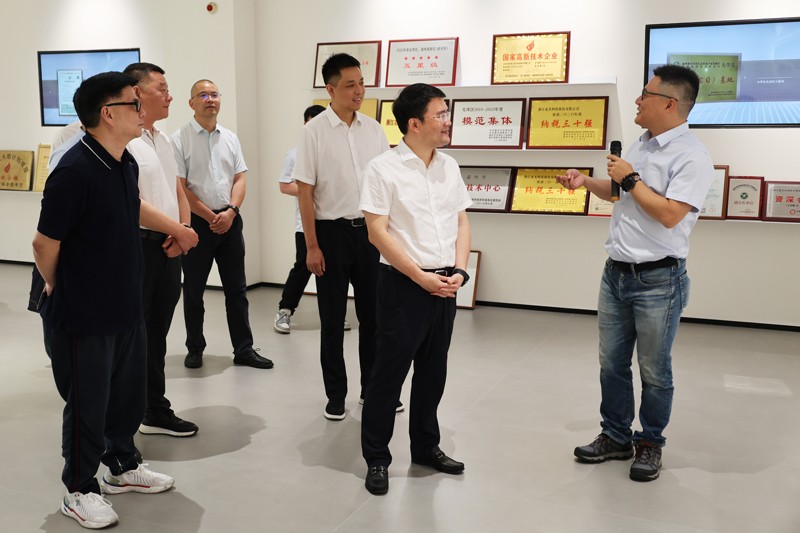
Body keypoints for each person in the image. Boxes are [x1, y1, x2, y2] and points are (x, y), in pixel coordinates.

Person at [558, 64, 715, 482]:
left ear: (669, 103)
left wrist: (629, 177)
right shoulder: (640, 144)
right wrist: (585, 182)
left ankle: (650, 443)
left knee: (654, 370)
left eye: (645, 94)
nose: (637, 100)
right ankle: (615, 435)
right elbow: (619, 195)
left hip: (659, 281)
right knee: (611, 363)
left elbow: (669, 214)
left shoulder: (693, 156)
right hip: (616, 274)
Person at [32, 72, 174, 530]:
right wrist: (55, 284)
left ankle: (122, 464)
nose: (142, 109)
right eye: (134, 103)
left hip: (124, 301)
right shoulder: (74, 171)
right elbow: (44, 244)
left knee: (126, 395)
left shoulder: (124, 161)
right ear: (108, 114)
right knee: (88, 403)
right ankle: (79, 488)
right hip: (84, 310)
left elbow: (126, 214)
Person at [359, 83, 472, 495]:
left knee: (433, 372)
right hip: (403, 284)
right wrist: (419, 277)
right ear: (414, 123)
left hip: (445, 282)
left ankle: (425, 447)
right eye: (440, 114)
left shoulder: (449, 166)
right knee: (388, 375)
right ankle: (377, 457)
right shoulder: (382, 169)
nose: (448, 121)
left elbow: (461, 221)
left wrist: (460, 271)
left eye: (447, 113)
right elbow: (377, 232)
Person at [293, 53, 390, 420]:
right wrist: (312, 246)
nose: (359, 91)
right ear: (331, 89)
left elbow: (385, 185)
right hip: (330, 235)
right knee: (332, 321)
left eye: (361, 83)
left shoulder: (374, 130)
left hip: (369, 233)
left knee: (373, 318)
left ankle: (372, 390)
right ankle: (336, 395)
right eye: (350, 85)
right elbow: (305, 192)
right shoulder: (313, 132)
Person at [172, 79, 273, 370]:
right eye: (202, 95)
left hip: (230, 222)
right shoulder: (178, 139)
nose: (210, 99)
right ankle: (195, 348)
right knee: (194, 291)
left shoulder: (230, 137)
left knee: (237, 290)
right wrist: (208, 216)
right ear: (191, 103)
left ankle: (244, 349)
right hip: (197, 225)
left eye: (214, 94)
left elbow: (240, 178)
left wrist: (231, 212)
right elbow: (181, 187)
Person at [123, 62, 200, 437]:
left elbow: (177, 189)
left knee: (156, 336)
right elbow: (131, 202)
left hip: (168, 249)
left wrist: (183, 229)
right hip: (138, 249)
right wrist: (178, 231)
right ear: (137, 93)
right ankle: (123, 423)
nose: (170, 96)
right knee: (132, 338)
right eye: (162, 89)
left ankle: (154, 409)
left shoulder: (164, 139)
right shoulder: (126, 142)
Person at [273, 104, 351, 334]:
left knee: (336, 271)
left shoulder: (337, 152)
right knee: (303, 267)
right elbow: (285, 186)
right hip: (306, 224)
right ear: (306, 124)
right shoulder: (295, 153)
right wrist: (310, 189)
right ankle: (285, 310)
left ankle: (336, 315)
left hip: (335, 224)